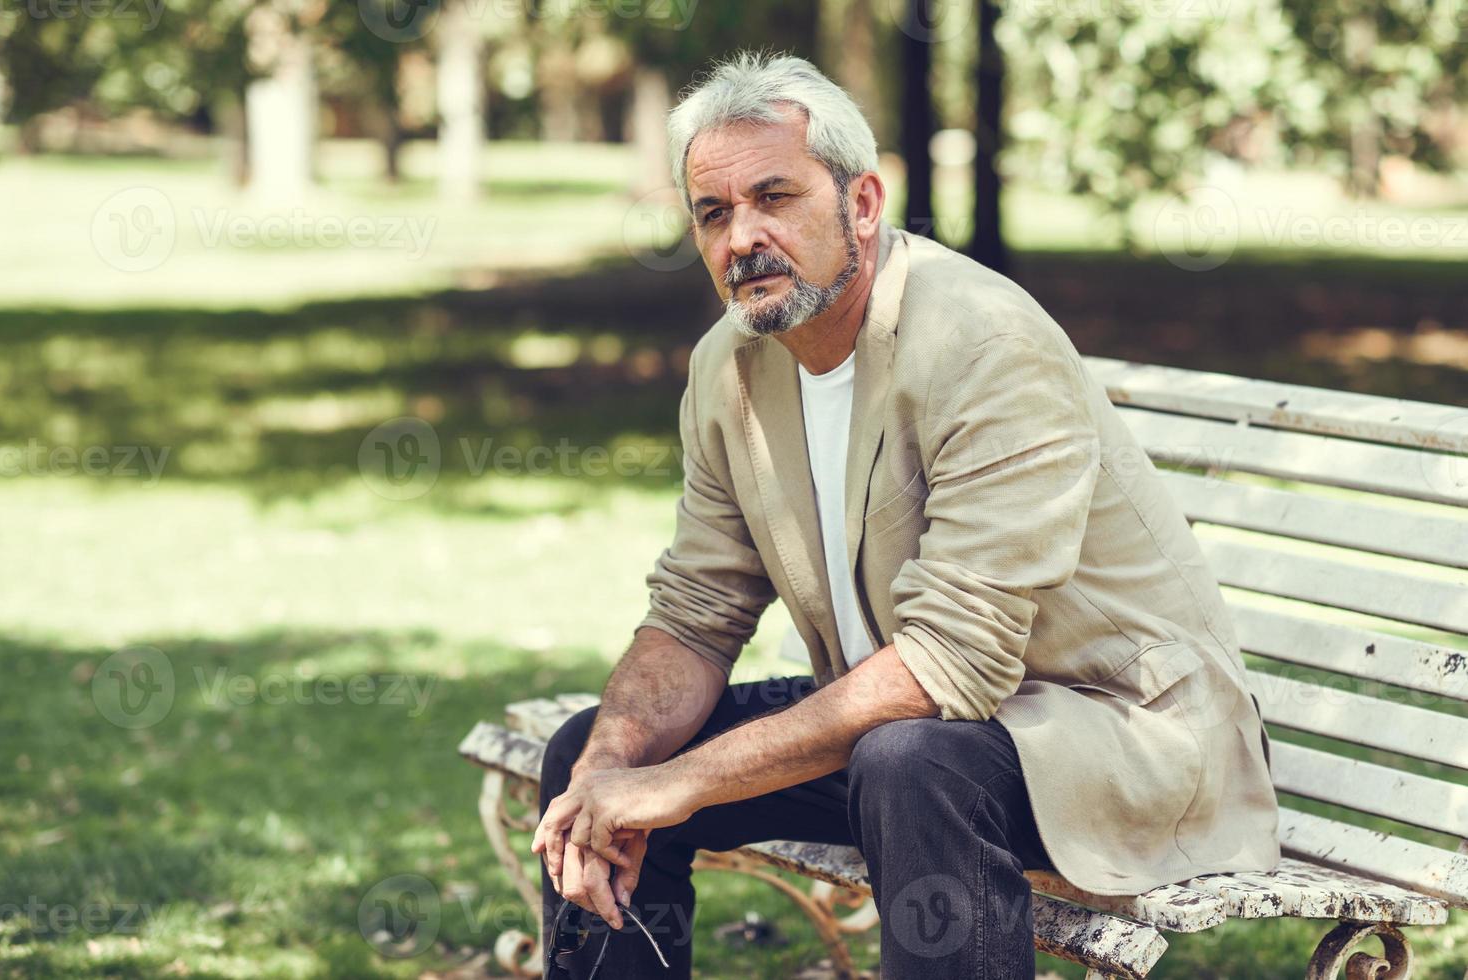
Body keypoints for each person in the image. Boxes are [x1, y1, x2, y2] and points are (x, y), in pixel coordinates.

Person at [530, 50, 1280, 979]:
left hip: (1121, 741)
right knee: (585, 752)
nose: (742, 238)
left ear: (862, 204)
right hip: (917, 731)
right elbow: (694, 611)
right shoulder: (730, 366)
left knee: (908, 761)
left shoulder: (980, 344)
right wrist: (611, 774)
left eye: (776, 196)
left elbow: (950, 665)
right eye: (713, 213)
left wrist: (674, 784)